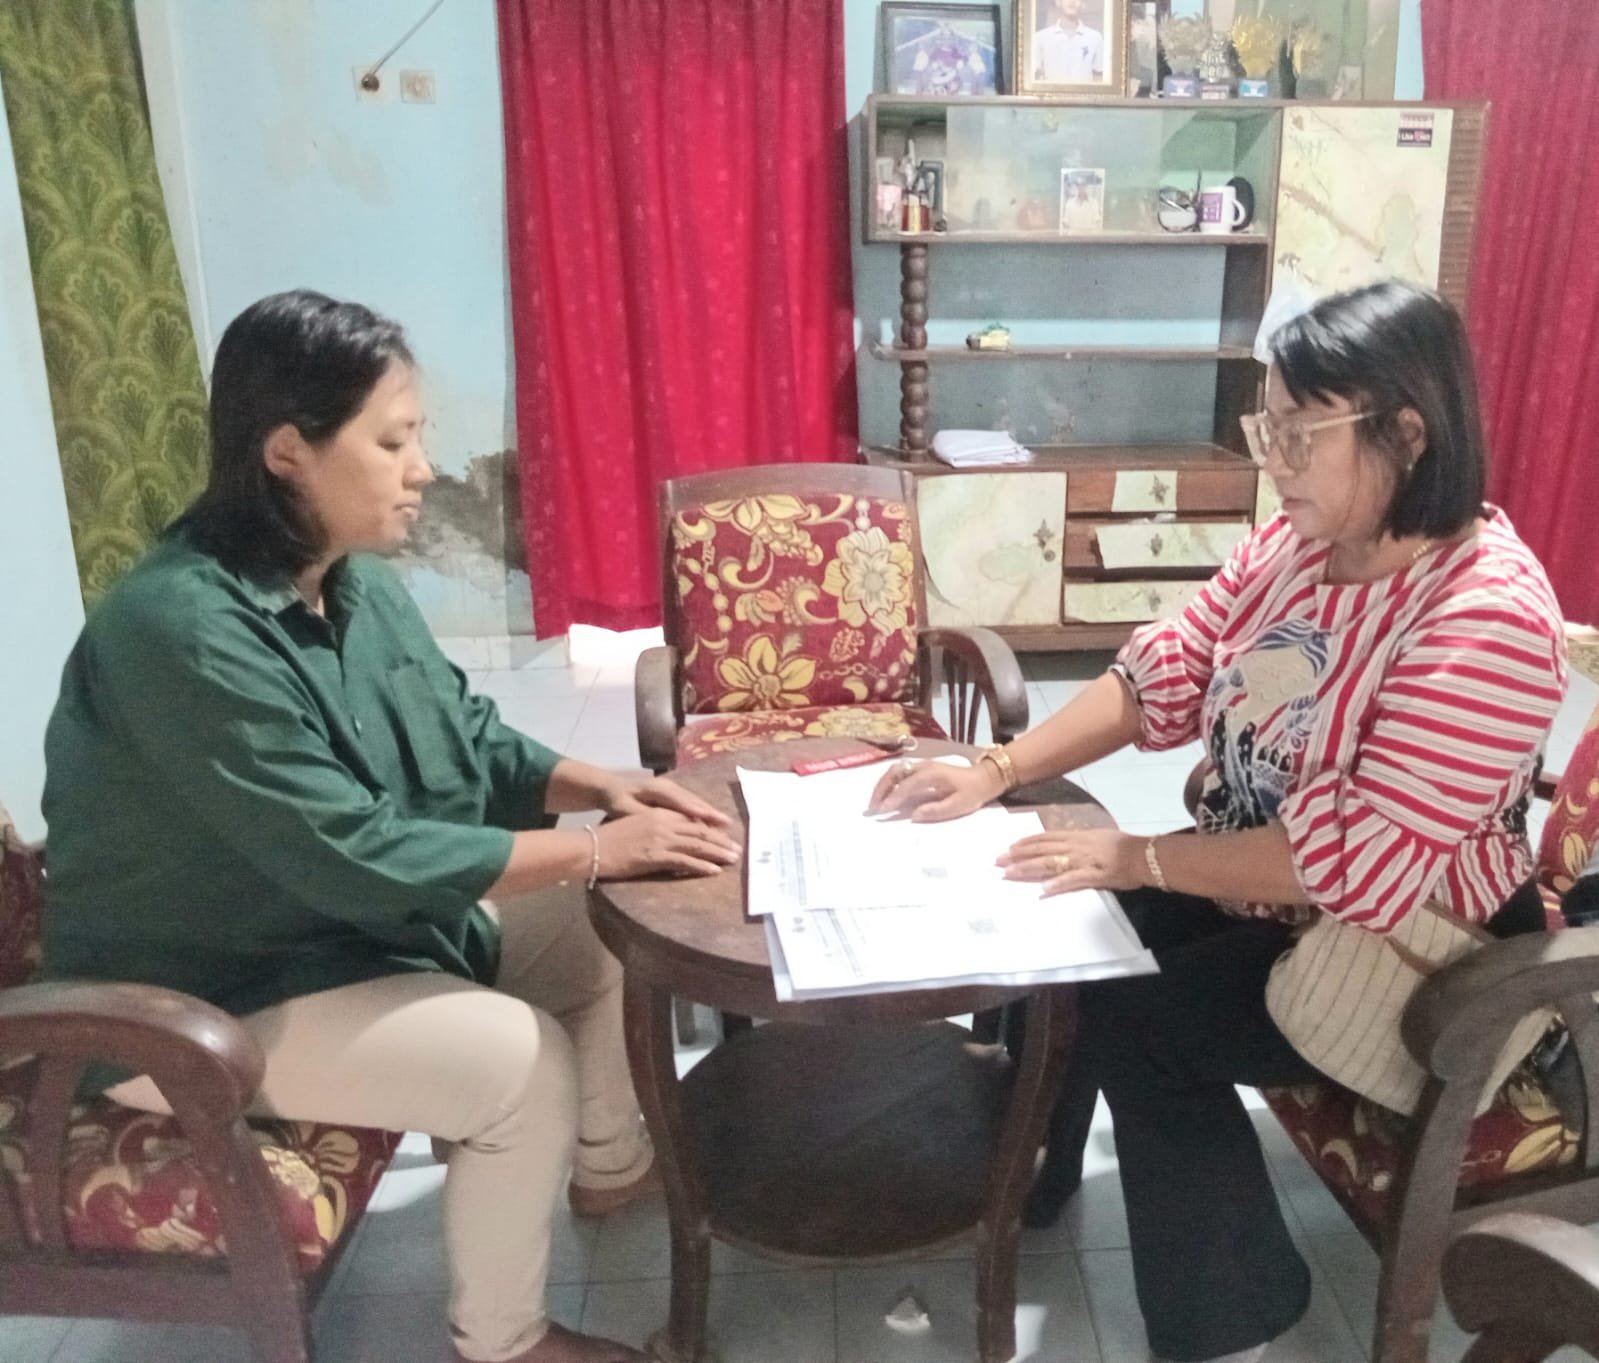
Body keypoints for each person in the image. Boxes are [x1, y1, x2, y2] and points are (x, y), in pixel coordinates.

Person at [868, 279, 1567, 1363]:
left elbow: (1352, 868)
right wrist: (993, 767)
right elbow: (1164, 670)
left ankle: (1235, 1326)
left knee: (1143, 1026)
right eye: (1265, 428)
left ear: (1407, 431)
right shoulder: (1301, 546)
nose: (1273, 460)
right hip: (1270, 886)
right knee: (1065, 926)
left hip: (1412, 952)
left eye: (1300, 433)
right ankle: (1025, 1179)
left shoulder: (1486, 618)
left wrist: (1138, 853)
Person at [41, 290, 744, 1363]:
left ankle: (609, 1165)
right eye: (393, 441)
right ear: (289, 450)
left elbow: (462, 732)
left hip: (339, 935)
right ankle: (504, 1340)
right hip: (204, 993)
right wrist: (599, 844)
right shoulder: (181, 630)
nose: (423, 470)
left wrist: (601, 788)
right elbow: (354, 853)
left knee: (597, 921)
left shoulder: (351, 582)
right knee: (516, 1066)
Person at [1034, 0, 1104, 83]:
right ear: (1058, 2)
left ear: (1083, 4)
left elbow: (1099, 75)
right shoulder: (1041, 37)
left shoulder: (1095, 37)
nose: (1072, 1)